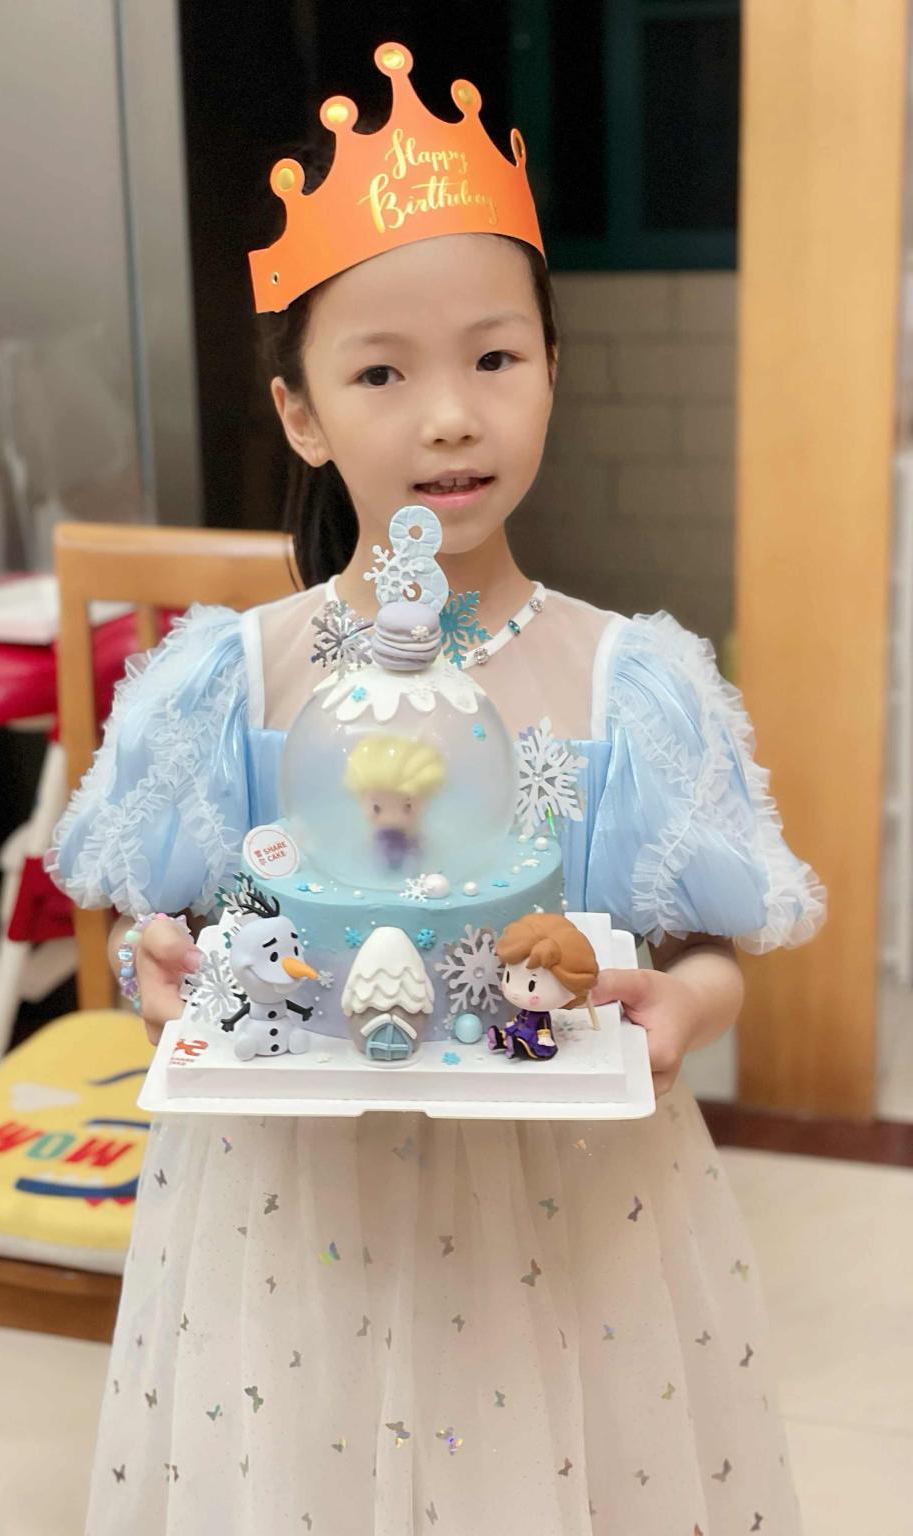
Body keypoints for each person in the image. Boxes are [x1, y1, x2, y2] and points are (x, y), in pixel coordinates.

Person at [50, 42, 824, 1535]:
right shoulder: (238, 679)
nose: (451, 416)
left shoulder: (629, 682)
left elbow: (707, 952)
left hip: (574, 1220)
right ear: (300, 413)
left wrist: (683, 1006)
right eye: (381, 373)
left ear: (553, 369)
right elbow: (175, 938)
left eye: (494, 358)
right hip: (294, 1222)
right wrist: (164, 969)